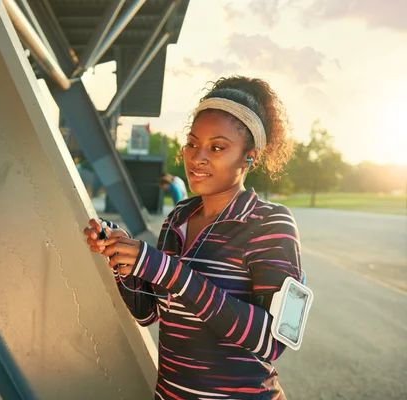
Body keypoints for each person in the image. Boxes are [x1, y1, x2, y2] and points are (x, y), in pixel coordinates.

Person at [84, 75, 299, 399]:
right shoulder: (178, 219)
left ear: (249, 156)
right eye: (192, 142)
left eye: (217, 147)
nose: (197, 156)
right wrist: (121, 255)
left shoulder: (270, 222)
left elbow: (271, 341)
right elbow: (147, 313)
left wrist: (164, 269)